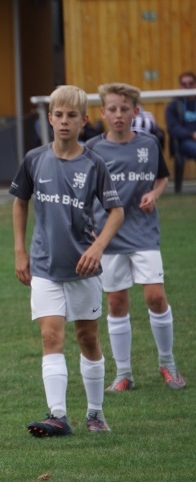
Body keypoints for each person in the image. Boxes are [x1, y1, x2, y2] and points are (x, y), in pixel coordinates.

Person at [11, 85, 125, 437]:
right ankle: (57, 415)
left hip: (83, 269)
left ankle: (95, 413)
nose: (64, 121)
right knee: (50, 335)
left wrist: (98, 248)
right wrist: (20, 250)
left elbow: (116, 212)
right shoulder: (34, 159)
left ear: (83, 121)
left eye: (71, 116)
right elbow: (20, 202)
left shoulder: (93, 164)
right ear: (49, 118)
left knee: (87, 338)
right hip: (45, 266)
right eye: (58, 115)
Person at [85, 82, 185, 391]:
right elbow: (84, 191)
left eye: (124, 109)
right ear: (103, 113)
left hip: (143, 233)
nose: (118, 114)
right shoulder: (93, 149)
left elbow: (162, 177)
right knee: (116, 303)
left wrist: (154, 194)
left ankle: (168, 364)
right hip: (109, 238)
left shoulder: (150, 144)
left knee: (155, 297)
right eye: (112, 109)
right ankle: (124, 374)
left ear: (135, 112)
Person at [164, 71, 196, 160]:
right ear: (180, 86)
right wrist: (192, 134)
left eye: (191, 83)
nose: (188, 87)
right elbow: (172, 127)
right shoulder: (173, 105)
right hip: (183, 141)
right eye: (184, 84)